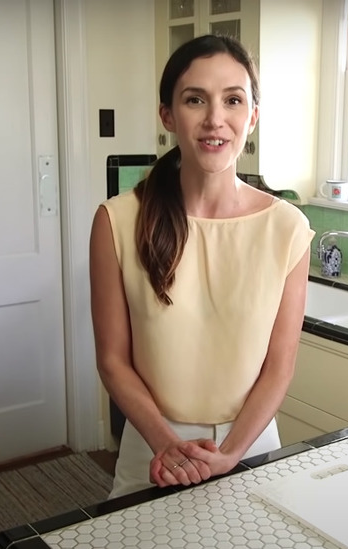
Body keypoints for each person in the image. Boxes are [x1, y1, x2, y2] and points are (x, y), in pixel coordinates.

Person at [89, 34, 315, 498]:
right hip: (153, 450)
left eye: (233, 100)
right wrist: (167, 444)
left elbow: (279, 367)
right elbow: (113, 360)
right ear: (168, 114)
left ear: (252, 116)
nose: (216, 119)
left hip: (251, 446)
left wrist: (231, 452)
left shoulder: (287, 228)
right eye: (196, 99)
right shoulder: (116, 220)